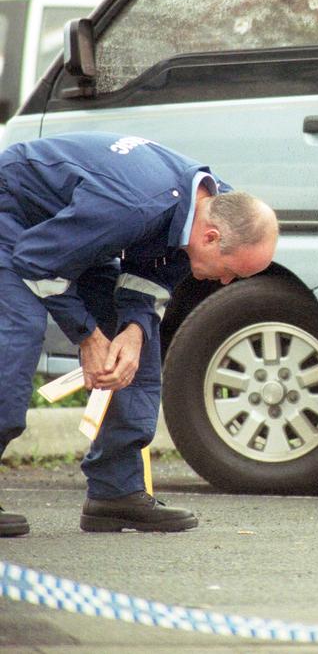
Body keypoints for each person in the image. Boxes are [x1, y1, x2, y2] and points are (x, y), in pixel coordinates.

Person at [0, 132, 278, 536]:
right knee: (17, 335)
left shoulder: (218, 208)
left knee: (136, 351)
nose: (225, 282)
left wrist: (132, 330)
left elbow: (152, 275)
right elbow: (37, 260)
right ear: (211, 238)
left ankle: (116, 492)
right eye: (231, 271)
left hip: (78, 231)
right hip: (15, 217)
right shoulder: (133, 207)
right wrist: (87, 337)